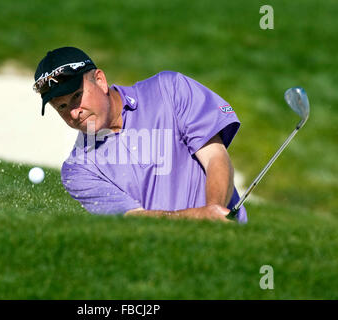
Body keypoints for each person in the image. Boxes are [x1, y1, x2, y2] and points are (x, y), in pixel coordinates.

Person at [33, 47, 247, 223]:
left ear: (100, 80)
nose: (73, 112)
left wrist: (215, 209)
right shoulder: (78, 170)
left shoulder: (169, 90)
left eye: (77, 96)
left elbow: (215, 157)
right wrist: (201, 218)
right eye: (61, 106)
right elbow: (135, 219)